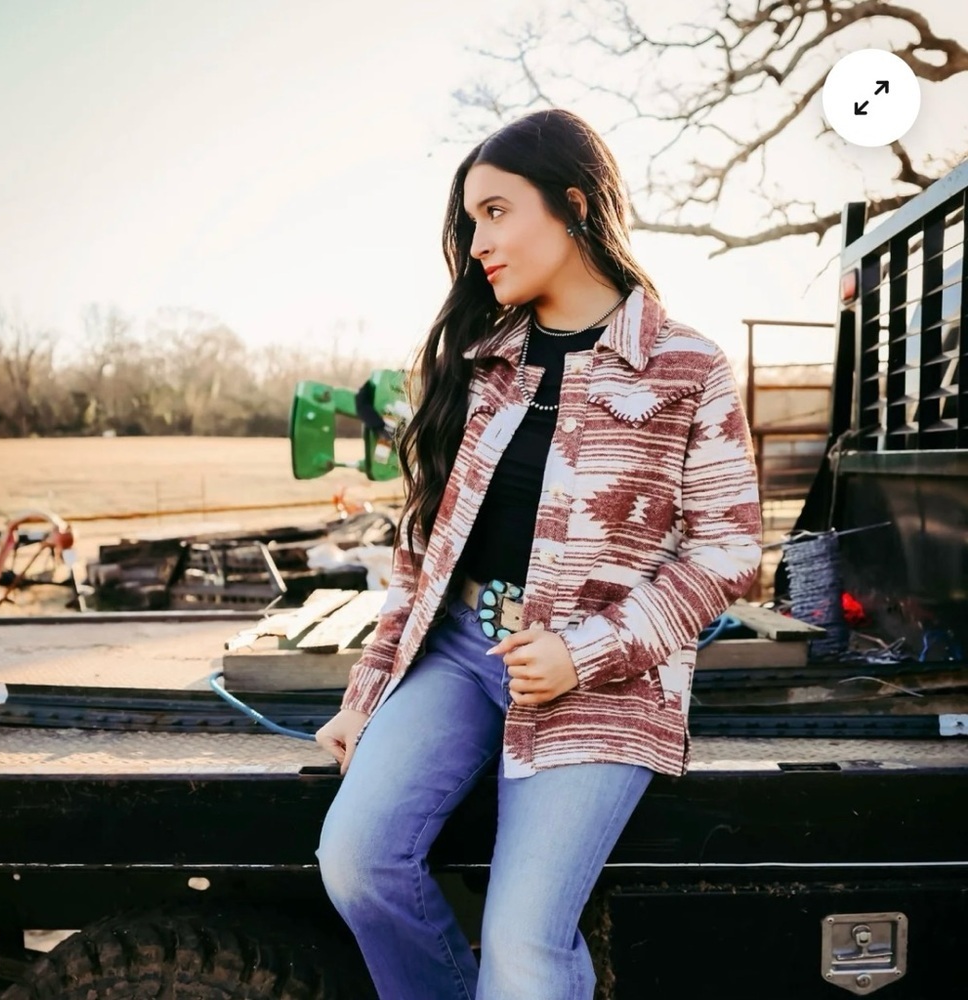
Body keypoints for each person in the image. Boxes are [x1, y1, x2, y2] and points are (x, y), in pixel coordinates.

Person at [315, 108, 762, 1000]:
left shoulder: (687, 366)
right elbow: (423, 553)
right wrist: (364, 699)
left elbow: (727, 551)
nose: (477, 243)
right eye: (469, 221)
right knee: (355, 860)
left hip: (603, 684)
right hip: (456, 654)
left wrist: (582, 651)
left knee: (522, 950)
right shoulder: (478, 363)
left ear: (574, 204)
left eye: (495, 212)